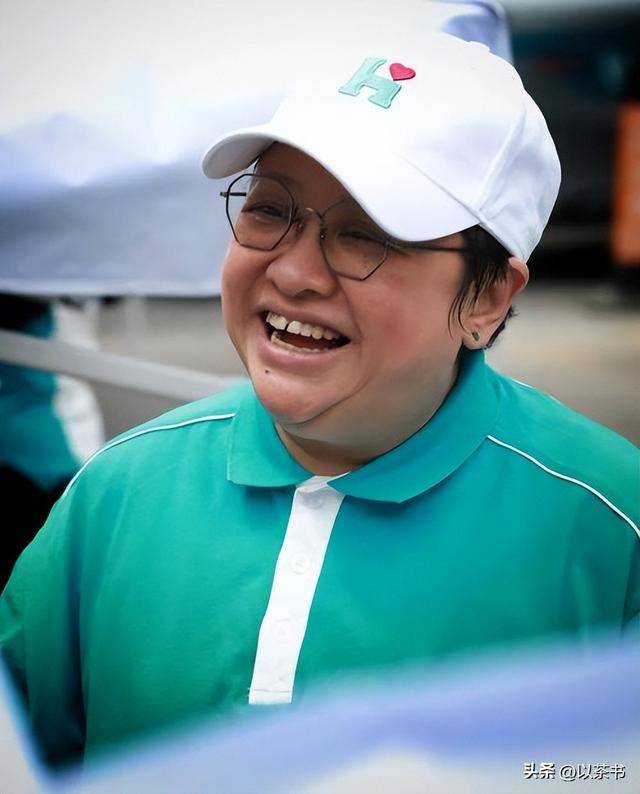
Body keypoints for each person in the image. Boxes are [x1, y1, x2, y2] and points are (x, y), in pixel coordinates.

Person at [0, 33, 638, 771]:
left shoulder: (610, 528)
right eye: (270, 209)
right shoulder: (117, 492)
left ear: (488, 296)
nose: (295, 272)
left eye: (367, 235)